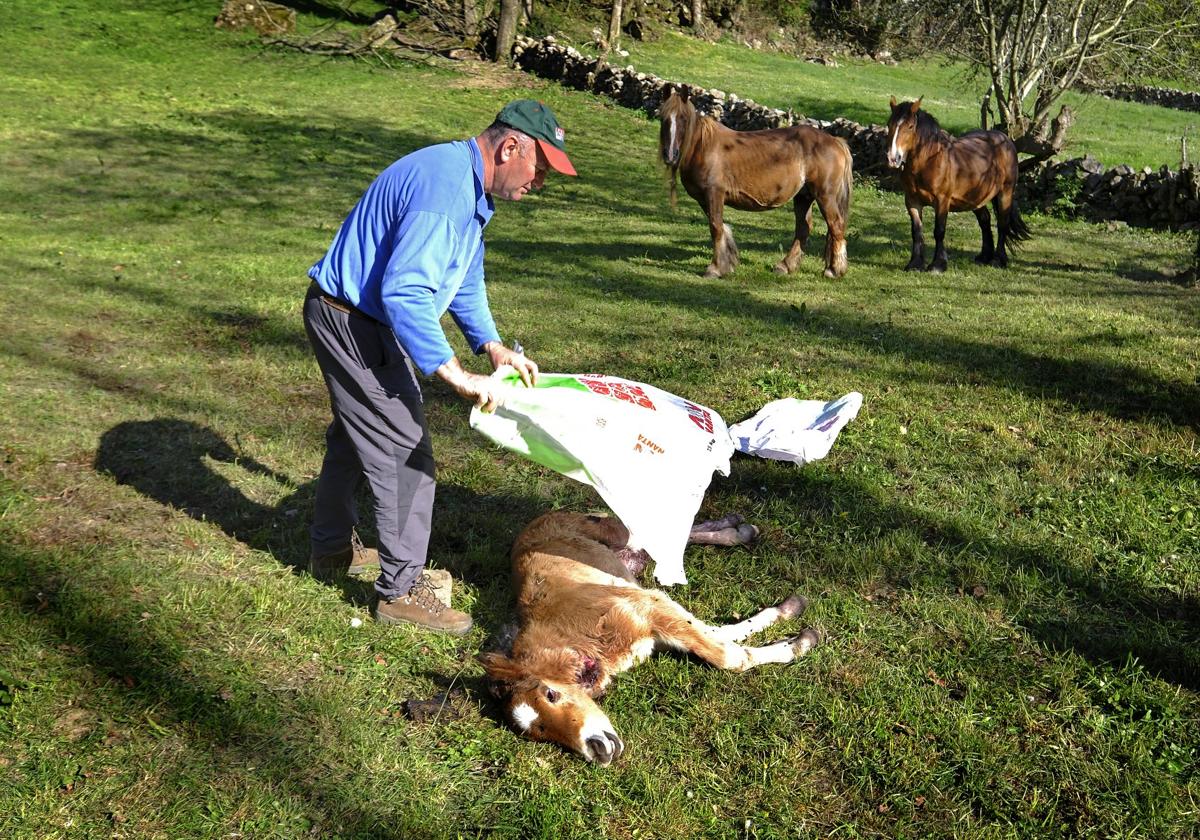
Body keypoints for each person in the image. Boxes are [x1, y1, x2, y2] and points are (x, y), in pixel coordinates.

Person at [303, 100, 577, 634]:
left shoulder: (467, 186)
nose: (541, 181)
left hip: (353, 315)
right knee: (407, 451)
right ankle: (401, 592)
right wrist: (454, 373)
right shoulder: (446, 192)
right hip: (352, 320)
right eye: (540, 167)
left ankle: (331, 547)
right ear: (510, 147)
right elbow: (406, 292)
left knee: (356, 437)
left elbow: (464, 277)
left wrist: (491, 346)